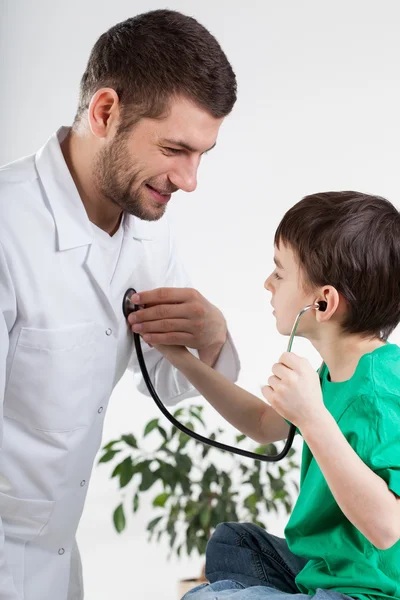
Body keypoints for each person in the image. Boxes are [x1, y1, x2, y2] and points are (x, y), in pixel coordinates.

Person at [0, 9, 240, 600]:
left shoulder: (148, 223)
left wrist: (209, 336)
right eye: (175, 148)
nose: (189, 180)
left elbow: (164, 377)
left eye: (202, 154)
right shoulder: (7, 228)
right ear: (104, 112)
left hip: (58, 556)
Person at [153, 191, 400, 600]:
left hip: (368, 592)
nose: (267, 284)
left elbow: (387, 526)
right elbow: (263, 425)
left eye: (279, 273)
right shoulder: (333, 372)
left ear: (323, 302)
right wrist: (178, 358)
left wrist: (313, 417)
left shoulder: (382, 385)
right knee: (233, 542)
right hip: (329, 571)